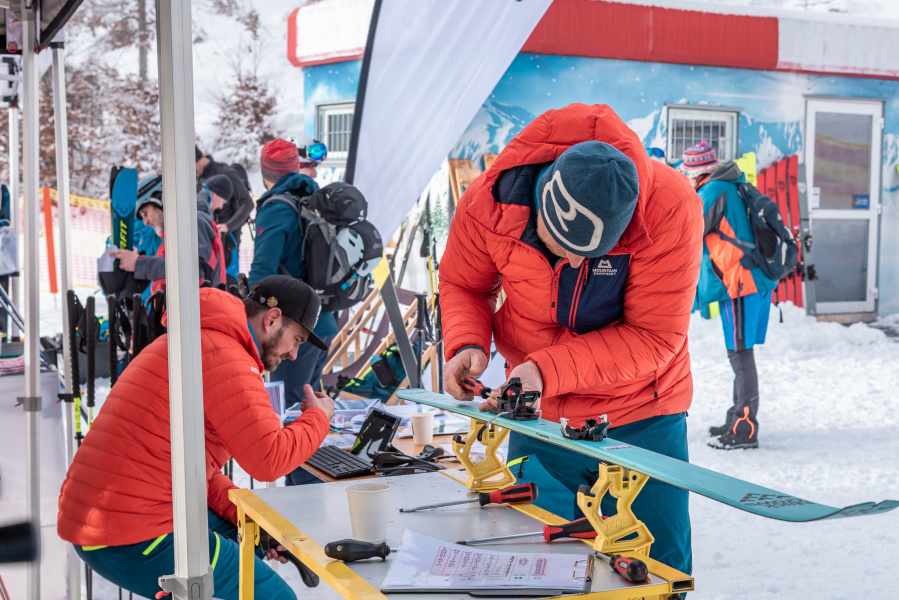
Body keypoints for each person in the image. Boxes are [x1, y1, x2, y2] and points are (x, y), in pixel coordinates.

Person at [439, 103, 703, 576]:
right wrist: (466, 343)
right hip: (540, 417)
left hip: (640, 412)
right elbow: (465, 283)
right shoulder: (488, 203)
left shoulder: (669, 207)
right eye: (563, 248)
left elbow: (653, 336)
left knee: (654, 571)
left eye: (592, 254)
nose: (577, 265)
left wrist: (544, 370)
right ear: (542, 202)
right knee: (538, 565)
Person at [57, 275, 336, 600]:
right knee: (277, 597)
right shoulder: (228, 358)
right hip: (130, 532)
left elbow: (191, 467)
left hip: (109, 520)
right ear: (272, 320)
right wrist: (318, 418)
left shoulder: (199, 341)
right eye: (296, 340)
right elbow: (268, 460)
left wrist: (247, 519)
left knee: (249, 540)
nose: (293, 354)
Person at [248, 137, 336, 486]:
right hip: (322, 321)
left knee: (291, 416)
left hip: (290, 328)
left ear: (265, 172)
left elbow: (262, 273)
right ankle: (307, 493)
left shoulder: (277, 207)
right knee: (307, 407)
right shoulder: (311, 198)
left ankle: (303, 500)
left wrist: (253, 319)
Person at [679, 141, 777, 450]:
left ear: (698, 173)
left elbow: (686, 232)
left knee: (741, 355)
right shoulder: (729, 185)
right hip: (745, 282)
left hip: (740, 283)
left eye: (687, 175)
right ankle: (737, 415)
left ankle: (745, 428)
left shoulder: (711, 192)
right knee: (740, 353)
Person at [113, 188, 225, 294]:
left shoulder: (195, 221)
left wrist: (139, 264)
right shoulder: (172, 238)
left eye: (145, 213)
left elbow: (194, 274)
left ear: (160, 200)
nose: (145, 222)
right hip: (183, 312)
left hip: (200, 312)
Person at [196, 146, 254, 254]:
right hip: (211, 237)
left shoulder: (225, 172)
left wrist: (228, 226)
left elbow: (247, 202)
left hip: (228, 238)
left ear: (199, 159)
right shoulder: (200, 175)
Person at [201, 173, 241, 283]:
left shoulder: (202, 211)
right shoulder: (201, 214)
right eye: (222, 201)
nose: (221, 207)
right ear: (214, 194)